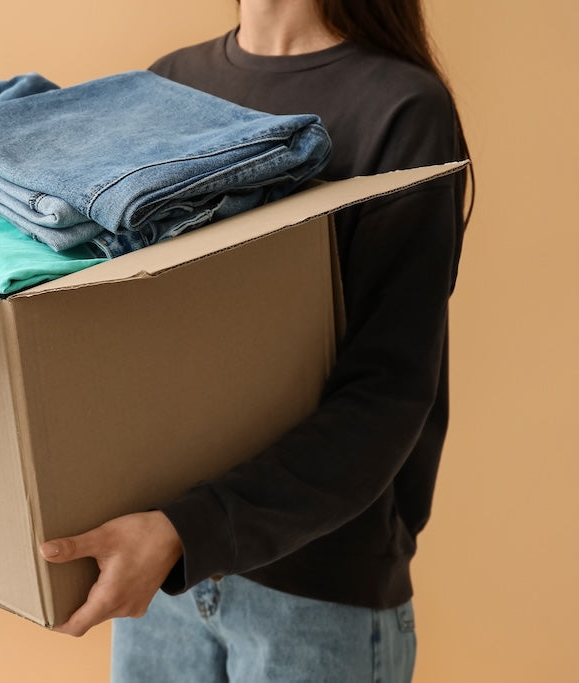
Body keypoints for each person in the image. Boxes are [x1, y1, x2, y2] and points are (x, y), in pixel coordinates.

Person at [38, 1, 472, 681]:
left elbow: (387, 397)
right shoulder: (167, 86)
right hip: (161, 587)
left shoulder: (401, 109)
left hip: (313, 598)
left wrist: (188, 530)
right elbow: (120, 345)